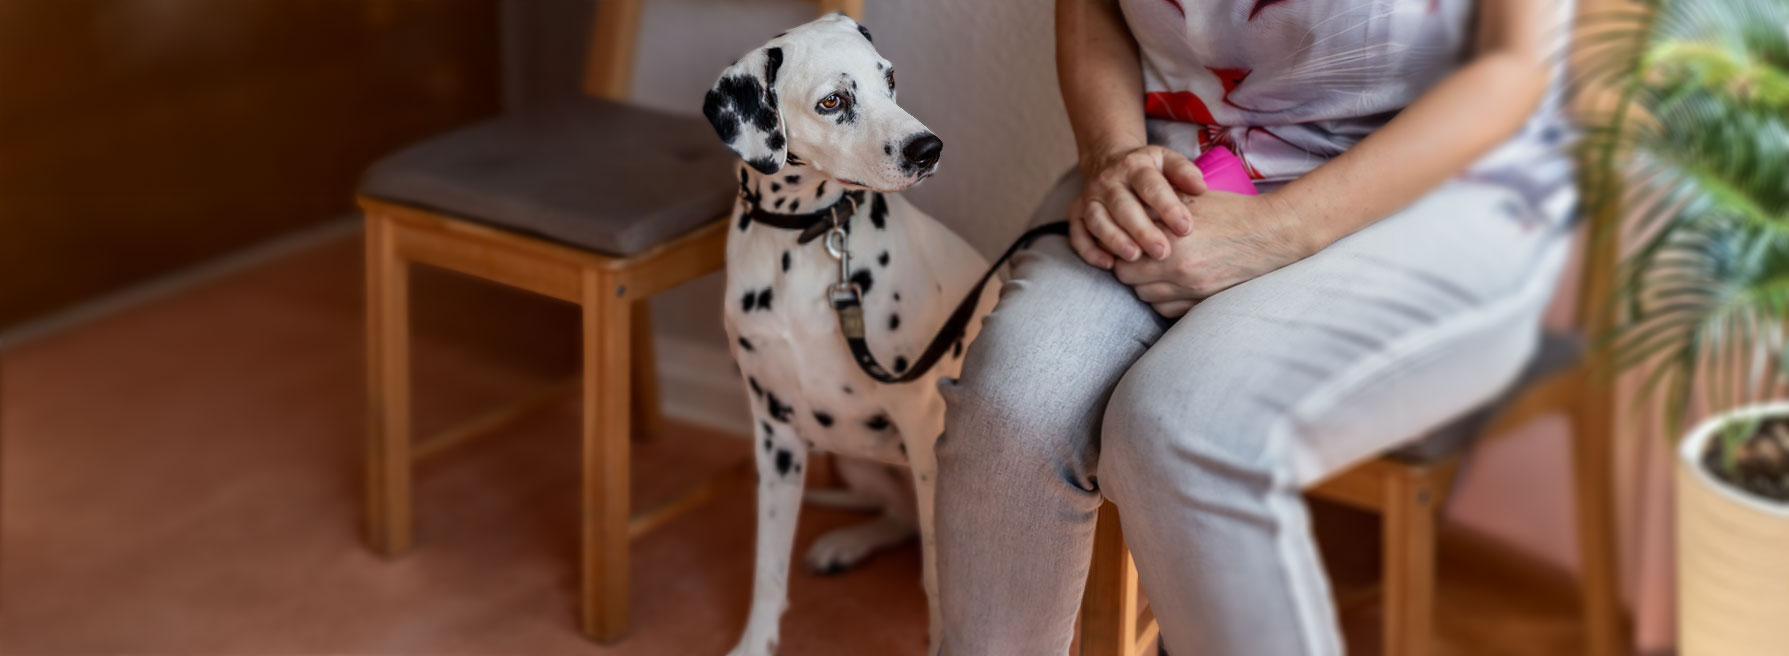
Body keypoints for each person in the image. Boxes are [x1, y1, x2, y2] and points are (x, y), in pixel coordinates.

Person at [933, 0, 1578, 653]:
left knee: (1178, 431)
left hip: (1436, 188)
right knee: (1011, 407)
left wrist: (1278, 232)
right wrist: (1113, 159)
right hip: (1183, 158)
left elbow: (1513, 67)